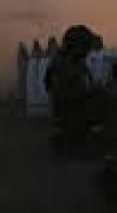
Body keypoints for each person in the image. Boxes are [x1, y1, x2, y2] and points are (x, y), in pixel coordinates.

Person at [45, 25, 97, 153]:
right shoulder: (65, 61)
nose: (87, 52)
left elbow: (86, 79)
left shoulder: (68, 60)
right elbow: (75, 84)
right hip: (67, 100)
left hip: (66, 101)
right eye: (85, 49)